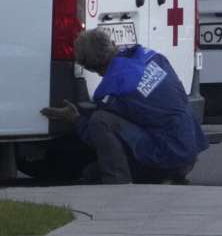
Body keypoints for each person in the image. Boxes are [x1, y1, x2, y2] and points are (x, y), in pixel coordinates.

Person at [40, 29, 208, 184]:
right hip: (191, 149)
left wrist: (75, 118)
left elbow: (95, 136)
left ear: (89, 68)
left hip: (168, 157)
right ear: (112, 43)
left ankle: (119, 185)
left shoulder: (110, 92)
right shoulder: (151, 57)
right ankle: (173, 175)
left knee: (100, 125)